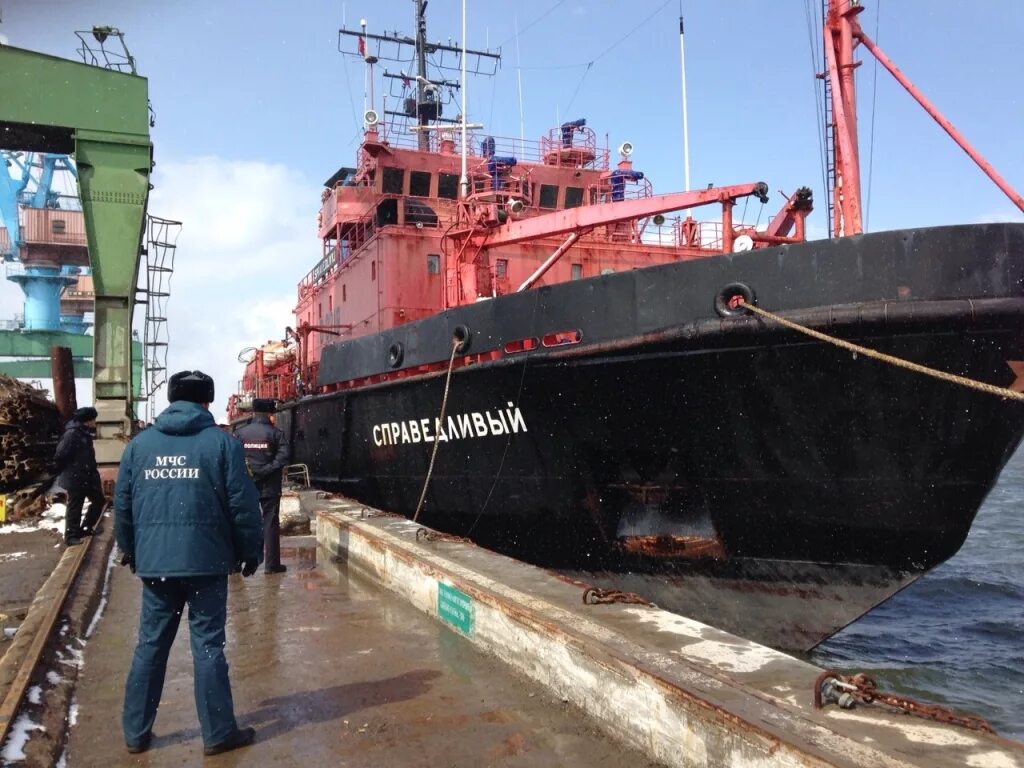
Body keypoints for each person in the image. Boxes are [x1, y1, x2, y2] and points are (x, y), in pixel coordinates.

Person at [114, 370, 263, 756]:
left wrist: (129, 549)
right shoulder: (222, 445)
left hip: (157, 566)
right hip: (207, 563)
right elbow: (243, 505)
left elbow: (123, 506)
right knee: (208, 646)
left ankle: (135, 733)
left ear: (171, 398)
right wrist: (250, 551)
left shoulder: (139, 446)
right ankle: (217, 733)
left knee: (150, 645)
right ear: (208, 401)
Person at [234, 398, 290, 574]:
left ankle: (235, 563)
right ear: (269, 414)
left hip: (246, 485)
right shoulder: (276, 434)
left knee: (240, 522)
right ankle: (272, 565)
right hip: (269, 485)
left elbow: (233, 458)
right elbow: (284, 456)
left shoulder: (240, 434)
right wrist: (266, 469)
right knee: (270, 523)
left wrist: (250, 471)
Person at [53, 405, 105, 545]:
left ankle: (85, 527)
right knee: (75, 506)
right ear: (87, 420)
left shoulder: (83, 432)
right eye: (93, 419)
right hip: (75, 477)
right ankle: (70, 536)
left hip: (87, 476)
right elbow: (60, 455)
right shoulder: (72, 434)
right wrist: (72, 469)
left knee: (98, 500)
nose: (95, 422)